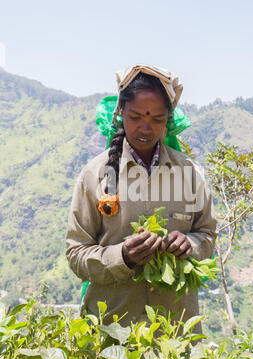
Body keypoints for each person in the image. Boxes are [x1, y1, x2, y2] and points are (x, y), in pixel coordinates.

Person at [65, 64, 217, 332]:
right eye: (136, 116)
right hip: (113, 334)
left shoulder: (189, 174)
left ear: (168, 119)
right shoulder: (94, 176)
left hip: (175, 337)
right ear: (121, 111)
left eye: (157, 119)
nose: (146, 128)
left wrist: (189, 244)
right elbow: (77, 253)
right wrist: (122, 256)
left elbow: (207, 234)